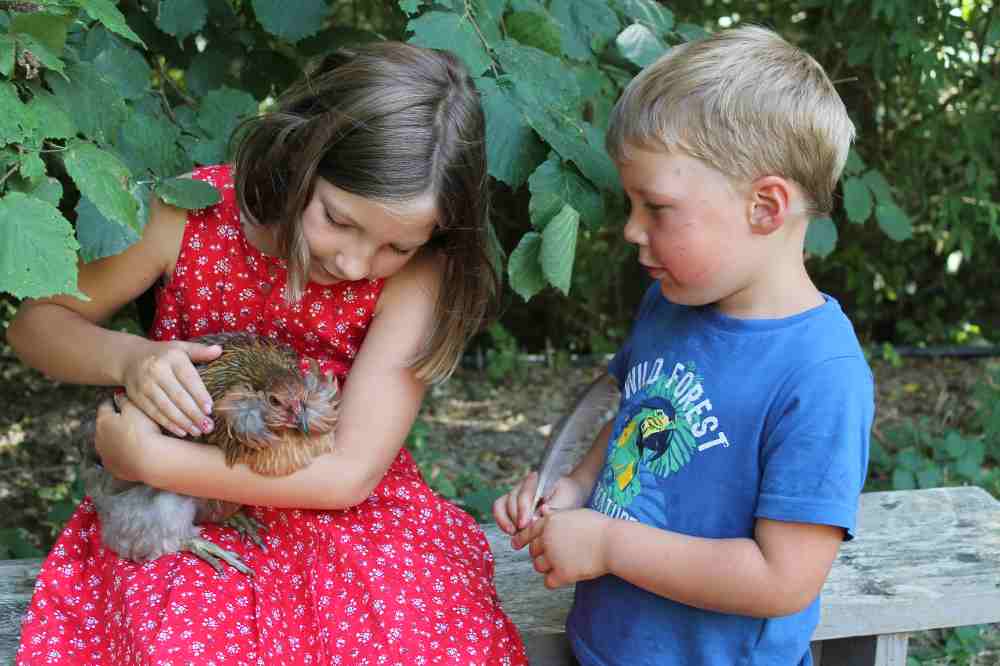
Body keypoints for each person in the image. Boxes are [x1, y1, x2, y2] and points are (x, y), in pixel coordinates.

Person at [10, 42, 527, 665]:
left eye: (396, 245)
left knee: (416, 641)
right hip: (187, 521)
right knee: (193, 645)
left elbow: (347, 476)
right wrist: (127, 358)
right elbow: (37, 325)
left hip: (346, 521)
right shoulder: (190, 215)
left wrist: (151, 457)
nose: (356, 262)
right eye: (339, 219)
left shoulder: (419, 275)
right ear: (301, 154)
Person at [494, 25, 873, 666]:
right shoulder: (670, 304)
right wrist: (573, 490)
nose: (631, 230)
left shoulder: (821, 375)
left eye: (657, 207)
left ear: (765, 206)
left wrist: (609, 545)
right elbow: (632, 414)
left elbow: (782, 580)